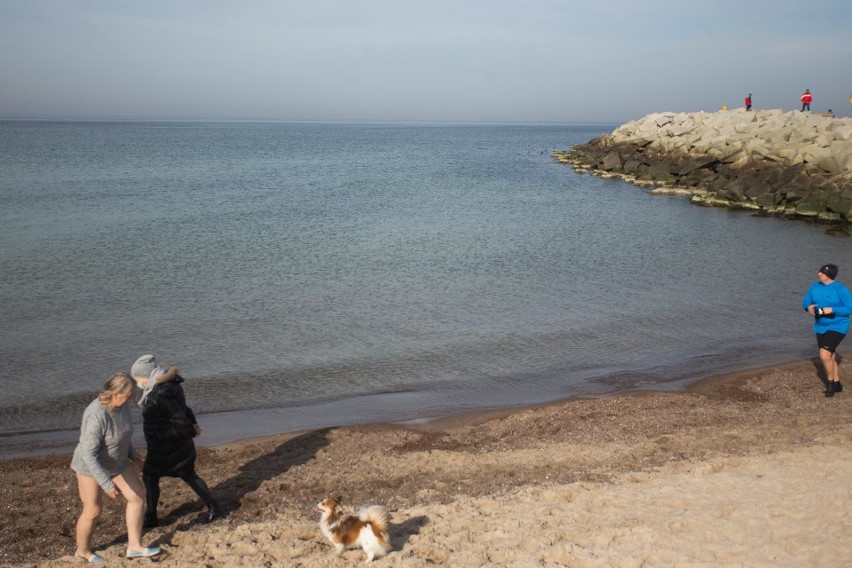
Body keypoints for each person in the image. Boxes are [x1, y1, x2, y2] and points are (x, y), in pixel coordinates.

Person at [70, 373, 161, 563]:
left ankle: (135, 546)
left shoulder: (123, 407)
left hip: (117, 462)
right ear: (114, 393)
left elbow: (122, 433)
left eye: (132, 394)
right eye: (128, 394)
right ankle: (83, 551)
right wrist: (106, 483)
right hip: (90, 466)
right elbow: (89, 454)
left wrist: (131, 452)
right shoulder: (96, 414)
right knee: (93, 509)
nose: (131, 398)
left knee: (137, 495)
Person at [130, 355, 225, 527]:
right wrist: (193, 425)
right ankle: (213, 507)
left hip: (168, 444)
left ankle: (152, 517)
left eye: (138, 379)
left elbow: (178, 416)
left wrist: (190, 431)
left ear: (147, 376)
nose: (137, 384)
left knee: (155, 475)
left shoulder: (160, 393)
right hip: (170, 442)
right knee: (176, 474)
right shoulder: (168, 385)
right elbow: (185, 408)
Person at [802, 264, 852, 397]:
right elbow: (806, 301)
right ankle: (837, 384)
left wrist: (832, 310)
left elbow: (850, 308)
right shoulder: (815, 286)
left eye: (822, 272)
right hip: (820, 326)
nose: (818, 274)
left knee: (824, 355)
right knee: (830, 356)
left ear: (829, 275)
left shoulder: (840, 289)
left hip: (838, 326)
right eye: (819, 271)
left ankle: (830, 384)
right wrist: (809, 307)